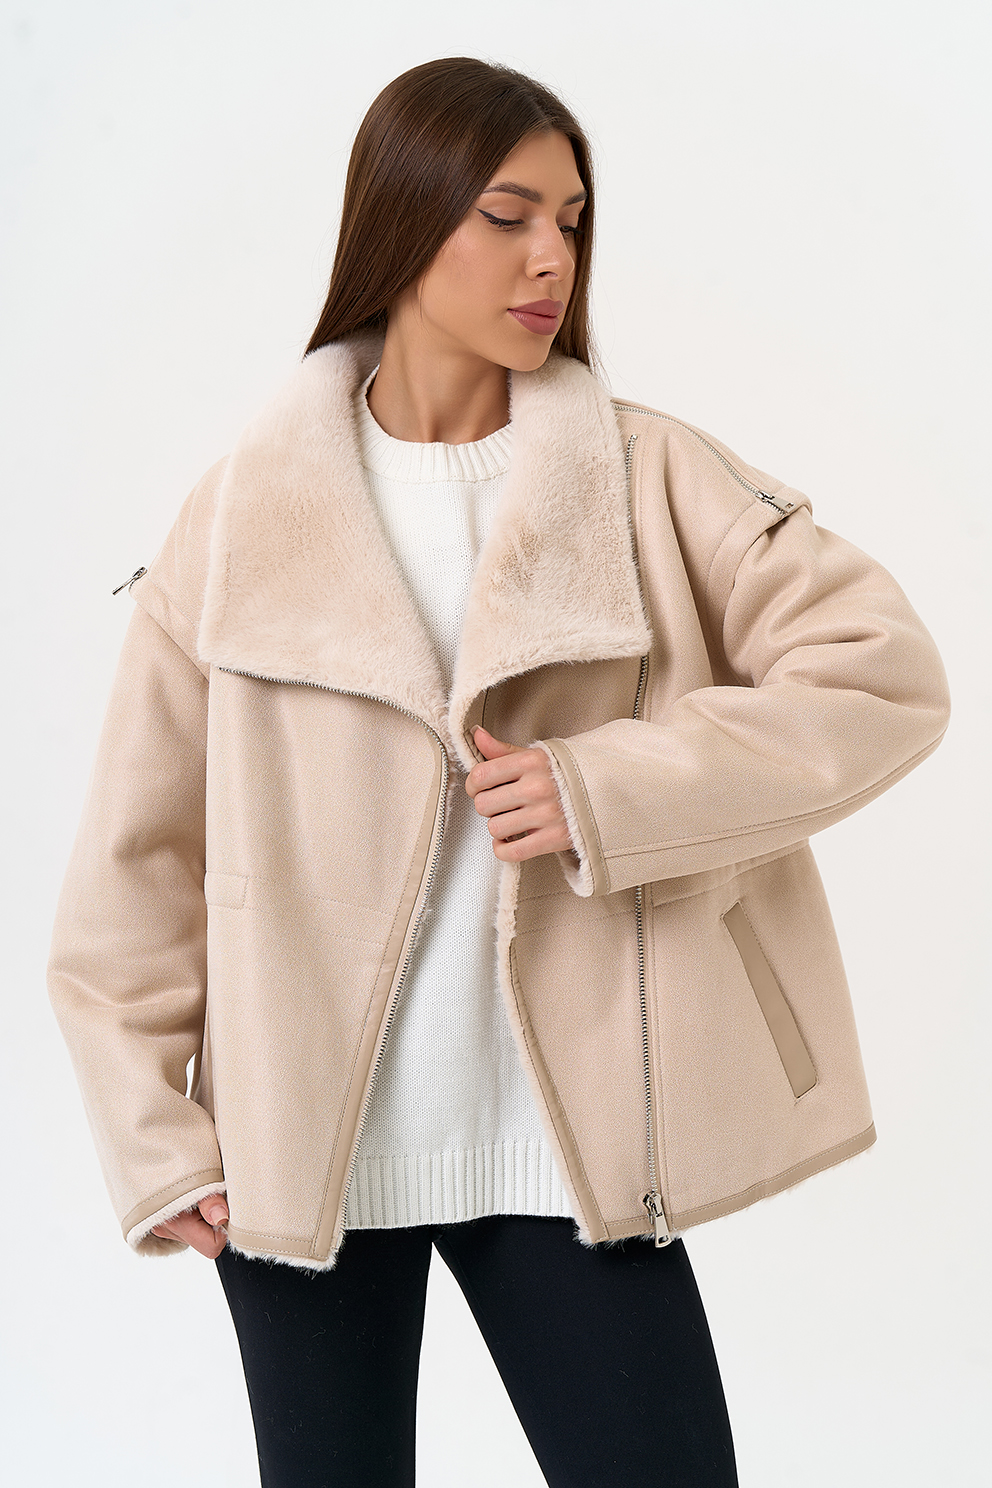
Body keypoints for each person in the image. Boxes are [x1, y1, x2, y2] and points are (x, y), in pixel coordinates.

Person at [47, 55, 950, 1488]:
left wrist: (612, 790)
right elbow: (134, 859)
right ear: (404, 225)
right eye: (508, 215)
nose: (552, 259)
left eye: (572, 221)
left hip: (567, 1149)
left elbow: (881, 671)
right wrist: (155, 1135)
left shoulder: (650, 475)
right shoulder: (242, 514)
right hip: (301, 1162)